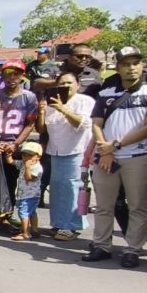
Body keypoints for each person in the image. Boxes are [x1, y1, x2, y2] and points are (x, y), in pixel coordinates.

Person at [84, 46, 147, 268]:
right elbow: (96, 124)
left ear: (142, 65)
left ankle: (133, 250)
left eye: (136, 63)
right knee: (103, 205)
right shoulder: (105, 94)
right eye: (126, 64)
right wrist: (106, 149)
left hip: (137, 156)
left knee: (137, 206)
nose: (131, 68)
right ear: (117, 67)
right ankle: (101, 245)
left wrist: (115, 145)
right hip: (106, 157)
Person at [39, 72, 94, 241]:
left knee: (73, 188)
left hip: (77, 150)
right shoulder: (52, 102)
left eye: (69, 83)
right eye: (62, 83)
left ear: (78, 85)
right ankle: (58, 223)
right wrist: (42, 111)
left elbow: (82, 124)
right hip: (56, 150)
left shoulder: (85, 101)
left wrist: (63, 109)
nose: (66, 86)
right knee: (57, 189)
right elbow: (42, 129)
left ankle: (72, 226)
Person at [0, 60, 40, 208]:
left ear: (22, 76)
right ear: (2, 75)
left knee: (10, 181)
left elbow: (30, 124)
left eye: (16, 74)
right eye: (8, 74)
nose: (12, 78)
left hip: (13, 145)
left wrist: (16, 144)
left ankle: (6, 213)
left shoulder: (29, 97)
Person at [10, 142, 44, 241]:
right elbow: (11, 162)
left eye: (30, 155)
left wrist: (28, 167)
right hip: (24, 194)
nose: (26, 158)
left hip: (30, 195)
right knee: (32, 213)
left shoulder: (37, 167)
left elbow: (28, 178)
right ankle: (34, 230)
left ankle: (26, 233)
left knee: (23, 213)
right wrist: (8, 155)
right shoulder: (23, 164)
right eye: (24, 155)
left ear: (38, 157)